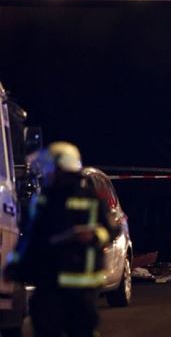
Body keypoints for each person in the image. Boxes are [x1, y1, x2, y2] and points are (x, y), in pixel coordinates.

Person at [5, 142, 119, 337]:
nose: (46, 173)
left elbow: (112, 229)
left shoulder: (56, 200)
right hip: (74, 285)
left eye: (49, 168)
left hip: (62, 284)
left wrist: (93, 236)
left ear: (59, 168)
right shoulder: (51, 199)